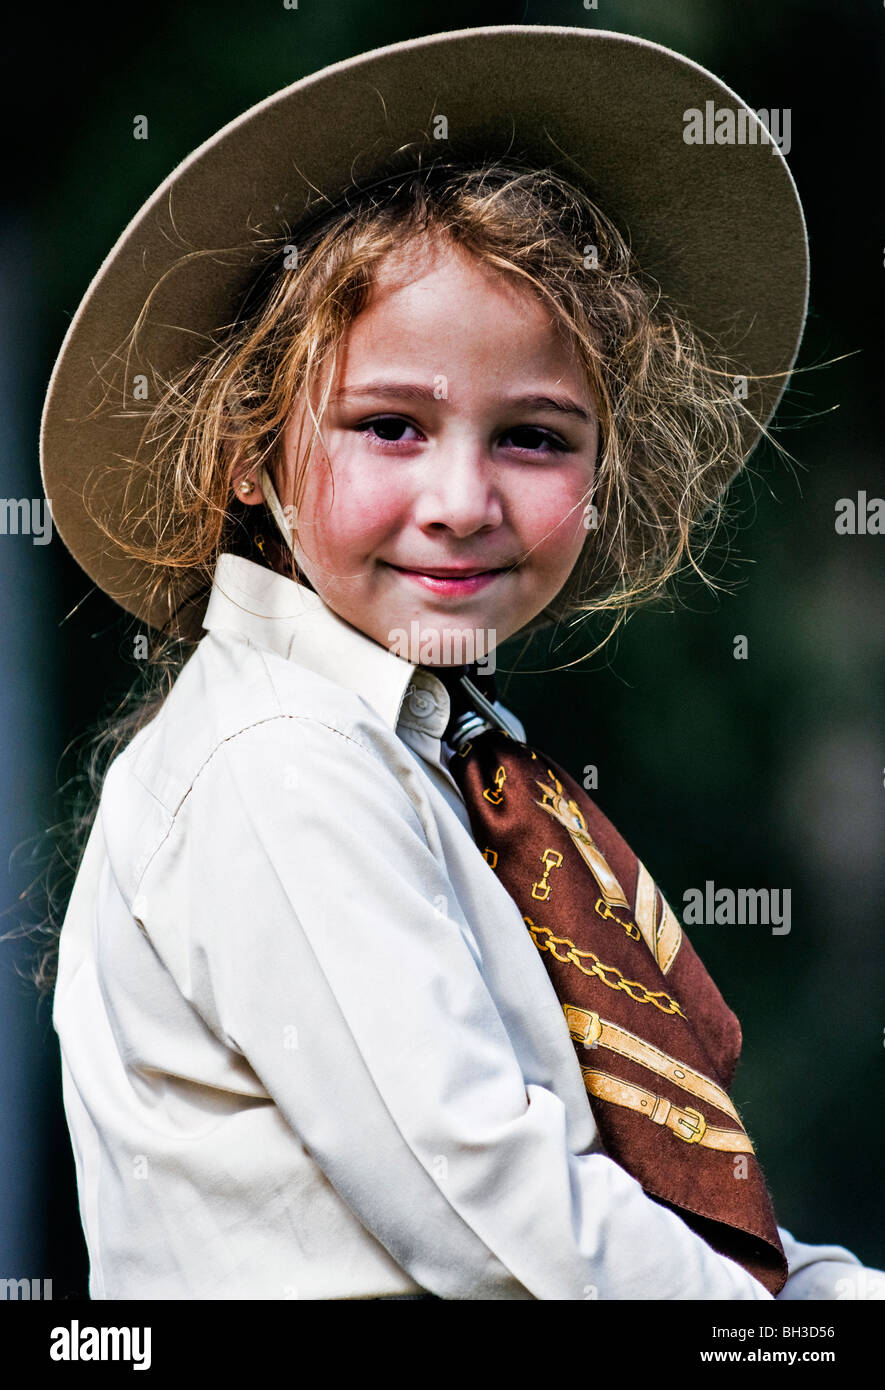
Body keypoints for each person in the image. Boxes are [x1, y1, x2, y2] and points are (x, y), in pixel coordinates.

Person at [38, 26, 882, 1299]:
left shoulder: (445, 763)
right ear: (255, 453)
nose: (461, 498)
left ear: (607, 474)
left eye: (534, 438)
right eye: (390, 425)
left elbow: (615, 1188)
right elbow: (499, 1216)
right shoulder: (281, 766)